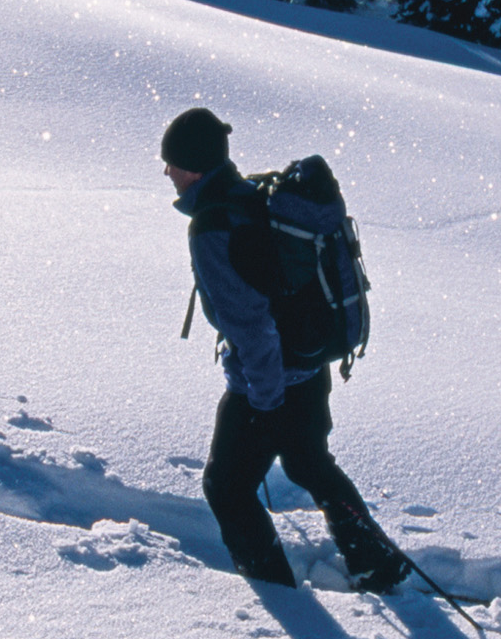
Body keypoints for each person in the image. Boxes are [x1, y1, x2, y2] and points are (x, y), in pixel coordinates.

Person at [163, 105, 412, 593]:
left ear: (190, 167)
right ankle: (376, 563)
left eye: (170, 164)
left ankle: (274, 587)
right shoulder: (253, 197)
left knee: (226, 488)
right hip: (310, 363)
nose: (167, 173)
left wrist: (265, 400)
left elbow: (250, 324)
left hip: (266, 381)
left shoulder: (213, 225)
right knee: (309, 463)